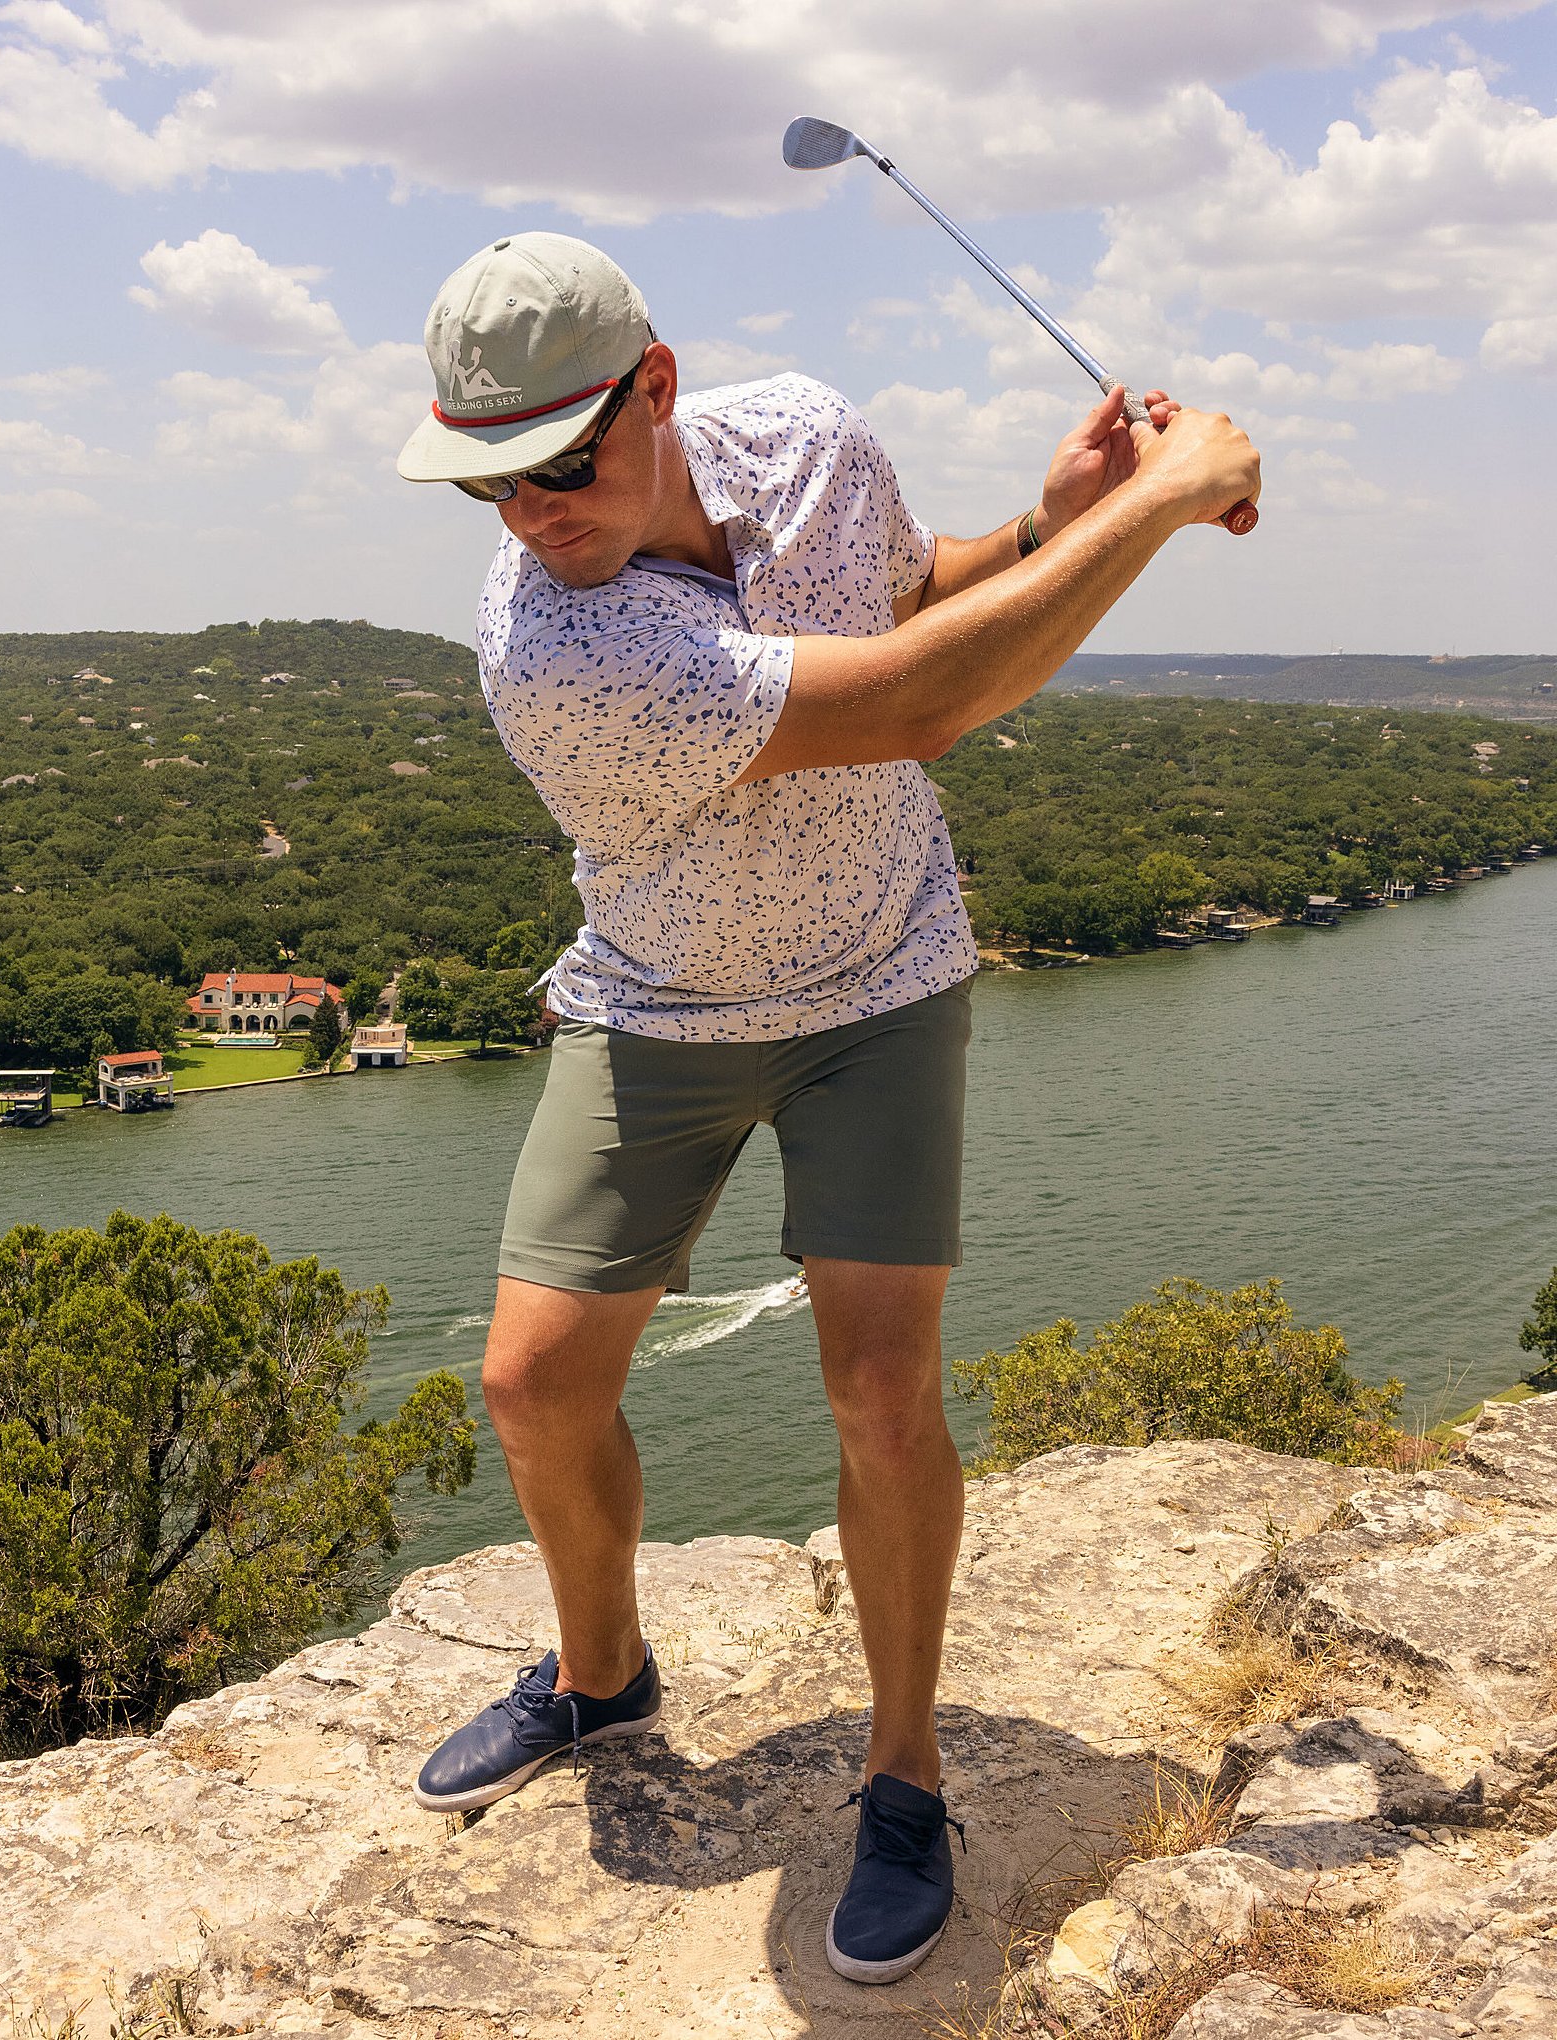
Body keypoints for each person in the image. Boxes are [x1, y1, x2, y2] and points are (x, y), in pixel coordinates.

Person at [395, 231, 1259, 1985]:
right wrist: (1161, 507)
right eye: (487, 482)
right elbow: (921, 703)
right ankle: (598, 1672)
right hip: (661, 998)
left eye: (562, 460)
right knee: (534, 1382)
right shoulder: (557, 649)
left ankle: (905, 1773)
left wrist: (1037, 523)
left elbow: (898, 599)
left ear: (658, 386)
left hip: (878, 978)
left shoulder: (806, 437)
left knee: (879, 1387)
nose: (532, 512)